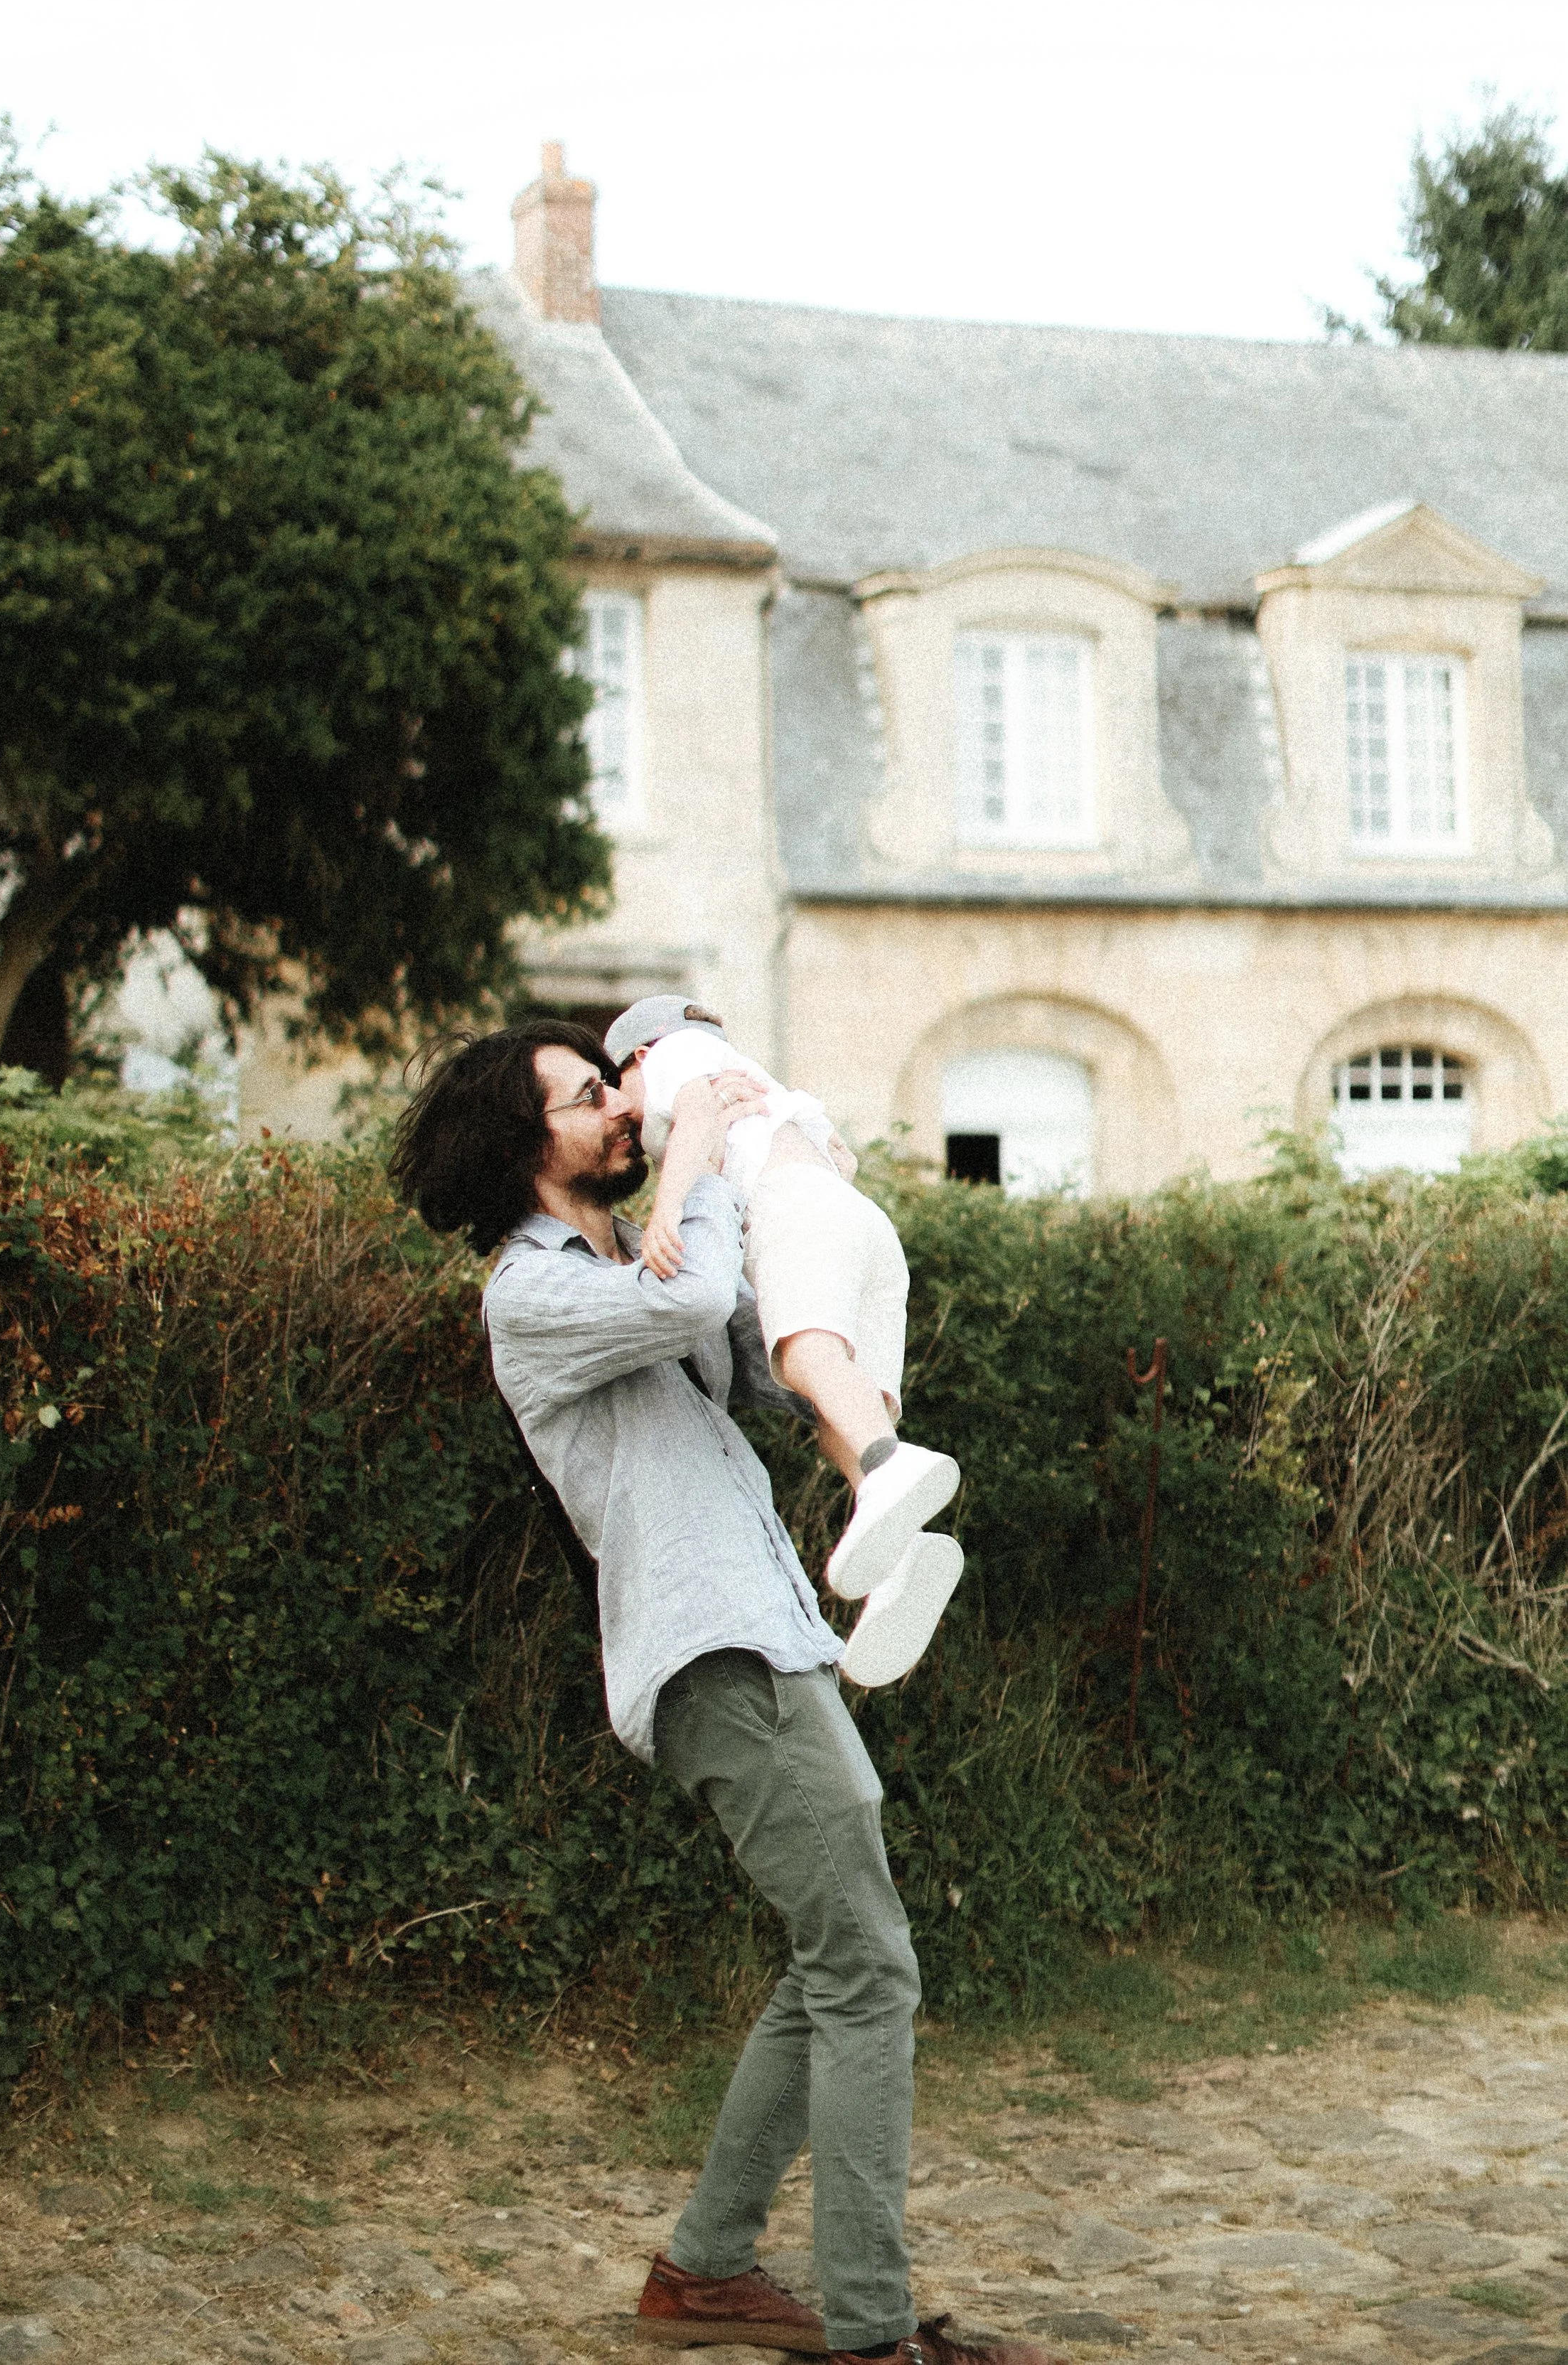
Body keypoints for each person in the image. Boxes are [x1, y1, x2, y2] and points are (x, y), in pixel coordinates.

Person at [389, 1020, 1059, 2365]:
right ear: (527, 1146)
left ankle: (703, 2269)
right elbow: (688, 1309)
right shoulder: (528, 1291)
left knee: (836, 1964)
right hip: (713, 1654)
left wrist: (779, 1177)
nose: (621, 1115)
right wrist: (695, 1138)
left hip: (771, 1632)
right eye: (592, 1101)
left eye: (616, 1090)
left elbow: (739, 1355)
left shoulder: (627, 1262)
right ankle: (873, 2333)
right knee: (870, 1970)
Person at [605, 996, 962, 1688]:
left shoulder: (679, 1061)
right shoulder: (764, 1085)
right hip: (862, 1224)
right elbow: (843, 1158)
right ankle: (901, 1562)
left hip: (792, 1207)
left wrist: (667, 1211)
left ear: (642, 1055)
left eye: (618, 1087)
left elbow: (699, 1121)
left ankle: (889, 1466)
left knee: (804, 1356)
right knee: (847, 1415)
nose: (624, 1110)